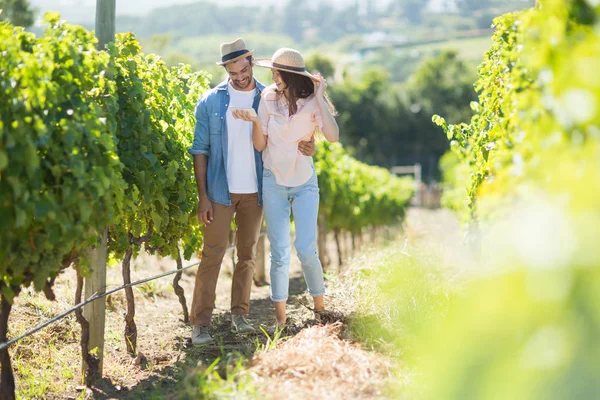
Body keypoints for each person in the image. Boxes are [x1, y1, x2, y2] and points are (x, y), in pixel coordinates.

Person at [188, 39, 315, 345]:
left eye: (243, 70)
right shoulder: (210, 102)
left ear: (251, 61)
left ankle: (239, 316)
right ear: (225, 71)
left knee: (247, 256)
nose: (239, 77)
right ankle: (200, 323)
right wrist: (202, 196)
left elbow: (293, 134)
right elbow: (200, 151)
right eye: (233, 74)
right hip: (220, 191)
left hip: (257, 191)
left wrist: (310, 146)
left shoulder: (271, 97)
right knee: (212, 255)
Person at [233, 47, 339, 328]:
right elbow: (260, 145)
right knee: (279, 251)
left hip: (304, 182)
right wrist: (256, 121)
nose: (274, 77)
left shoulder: (312, 103)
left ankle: (320, 312)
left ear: (292, 76)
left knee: (305, 248)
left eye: (278, 73)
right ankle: (280, 319)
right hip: (274, 181)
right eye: (274, 72)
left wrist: (319, 96)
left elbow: (333, 136)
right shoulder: (268, 98)